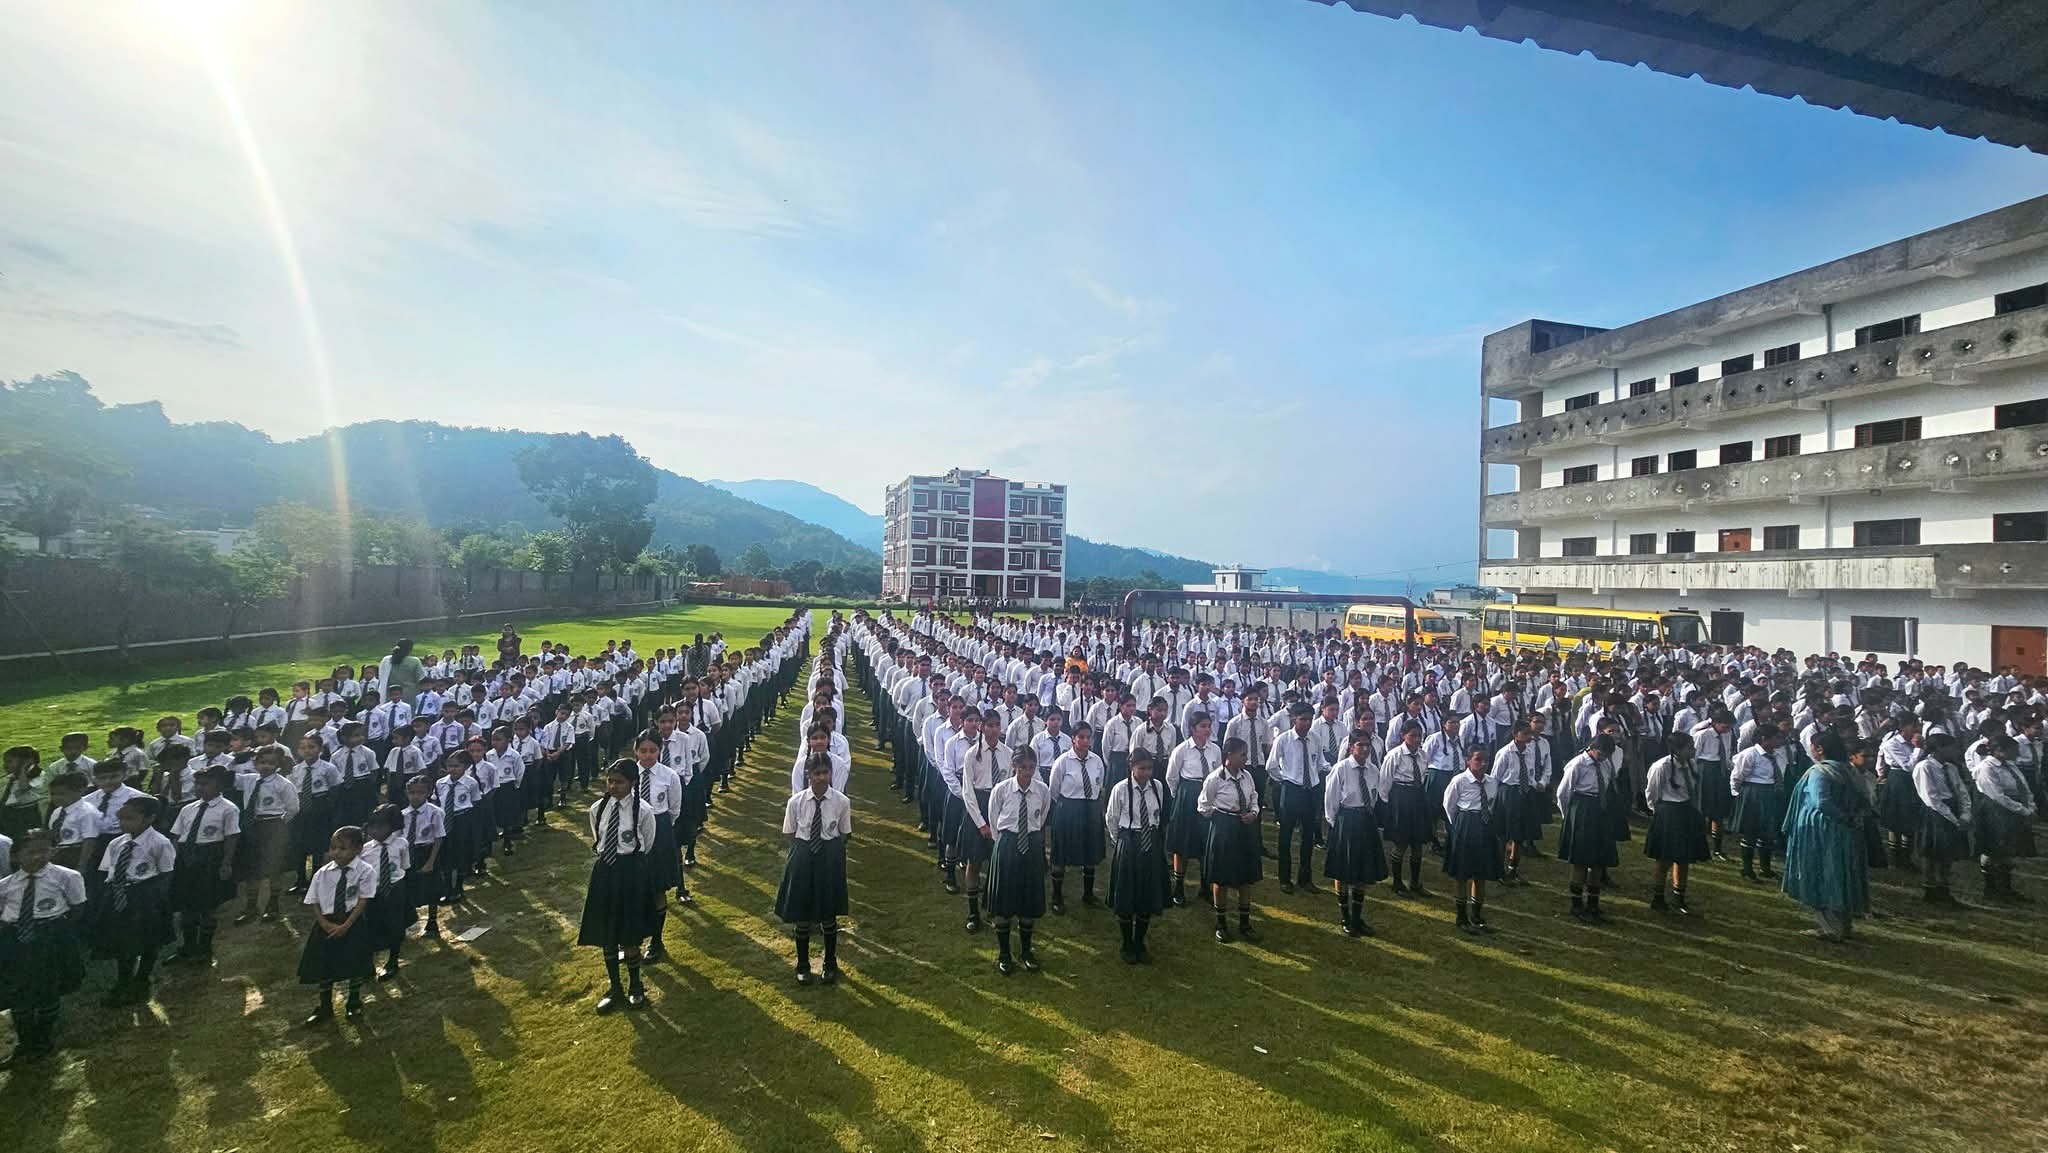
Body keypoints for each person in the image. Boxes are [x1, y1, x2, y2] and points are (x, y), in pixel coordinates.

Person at [0, 829, 89, 1064]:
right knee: (18, 989)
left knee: (46, 987)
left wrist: (55, 930)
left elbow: (77, 908)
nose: (38, 856)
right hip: (15, 939)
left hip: (49, 936)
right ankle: (25, 1040)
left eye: (45, 851)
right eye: (31, 852)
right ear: (16, 856)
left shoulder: (66, 877)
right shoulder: (6, 885)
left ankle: (43, 1038)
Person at [578, 760, 658, 1012]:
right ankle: (615, 987)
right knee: (608, 933)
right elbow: (598, 838)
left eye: (619, 782)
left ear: (633, 783)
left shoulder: (643, 810)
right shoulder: (597, 809)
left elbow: (648, 839)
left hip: (630, 872)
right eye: (610, 781)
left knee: (630, 932)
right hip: (606, 872)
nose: (613, 786)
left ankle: (636, 985)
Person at [1779, 730, 1873, 942]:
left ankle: (1831, 927)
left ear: (1820, 749)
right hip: (1846, 829)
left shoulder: (1820, 772)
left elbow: (1821, 801)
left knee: (1822, 872)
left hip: (1821, 830)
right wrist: (1851, 818)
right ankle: (1843, 923)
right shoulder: (1849, 770)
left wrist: (1840, 817)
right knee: (1842, 873)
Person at [91, 796, 176, 1006]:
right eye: (121, 819)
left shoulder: (159, 842)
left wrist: (157, 901)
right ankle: (123, 981)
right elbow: (107, 871)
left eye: (131, 818)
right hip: (119, 894)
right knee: (123, 941)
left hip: (145, 895)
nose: (124, 823)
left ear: (150, 818)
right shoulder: (116, 843)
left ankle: (142, 979)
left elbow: (166, 874)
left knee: (148, 938)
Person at [777, 753, 851, 986]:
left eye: (825, 773)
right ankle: (802, 964)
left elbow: (844, 831)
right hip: (803, 853)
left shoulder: (841, 802)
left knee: (828, 911)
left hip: (829, 855)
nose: (821, 778)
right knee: (802, 911)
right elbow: (789, 832)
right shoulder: (796, 802)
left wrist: (829, 849)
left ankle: (830, 962)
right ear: (808, 776)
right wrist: (805, 848)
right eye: (816, 773)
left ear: (831, 774)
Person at [298, 825, 377, 1025]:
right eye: (333, 847)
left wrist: (347, 925)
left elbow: (363, 900)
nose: (336, 852)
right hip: (327, 922)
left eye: (343, 848)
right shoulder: (322, 873)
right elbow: (314, 900)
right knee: (325, 964)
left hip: (352, 922)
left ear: (358, 849)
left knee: (354, 963)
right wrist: (323, 923)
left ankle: (353, 1002)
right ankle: (325, 1006)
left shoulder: (365, 871)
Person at [984, 747, 1052, 976]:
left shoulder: (1042, 791)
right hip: (1008, 844)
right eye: (1022, 767)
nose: (1027, 772)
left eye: (1031, 767)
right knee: (1005, 902)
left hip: (1031, 846)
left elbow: (1041, 817)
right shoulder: (1002, 790)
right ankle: (1004, 953)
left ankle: (1026, 951)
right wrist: (1004, 843)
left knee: (1028, 901)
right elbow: (994, 821)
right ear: (1014, 767)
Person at [166, 764, 238, 964]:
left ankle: (205, 949)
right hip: (186, 858)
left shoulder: (228, 809)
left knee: (207, 906)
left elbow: (231, 837)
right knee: (186, 906)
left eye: (206, 784)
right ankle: (187, 947)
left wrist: (226, 863)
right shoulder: (187, 809)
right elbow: (178, 835)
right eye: (197, 783)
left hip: (209, 858)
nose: (200, 788)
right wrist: (174, 859)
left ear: (219, 785)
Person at [1104, 747, 1167, 964]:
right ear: (1132, 767)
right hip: (1129, 840)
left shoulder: (1157, 787)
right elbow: (1111, 818)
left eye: (1150, 768)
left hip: (1151, 841)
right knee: (1127, 892)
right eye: (1142, 768)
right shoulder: (1120, 789)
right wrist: (1120, 841)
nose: (1147, 773)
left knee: (1146, 893)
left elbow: (1159, 815)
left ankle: (1140, 941)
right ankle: (1127, 941)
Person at [1323, 729, 1388, 938]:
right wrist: (1337, 824)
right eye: (1360, 745)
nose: (1365, 749)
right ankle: (1345, 916)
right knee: (1343, 871)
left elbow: (1375, 796)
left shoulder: (1373, 770)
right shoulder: (1341, 769)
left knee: (1362, 871)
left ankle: (1357, 917)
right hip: (1346, 820)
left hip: (1365, 819)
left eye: (1368, 745)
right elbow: (1330, 801)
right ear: (1351, 747)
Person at [1198, 737, 1263, 943]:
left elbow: (1254, 797)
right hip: (1224, 828)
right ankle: (1221, 923)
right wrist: (1220, 818)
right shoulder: (1215, 779)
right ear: (1229, 756)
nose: (1246, 758)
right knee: (1222, 877)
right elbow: (1203, 806)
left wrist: (1253, 812)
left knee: (1245, 878)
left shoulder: (1247, 777)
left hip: (1244, 828)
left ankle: (1245, 923)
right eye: (1242, 754)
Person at [1643, 731, 1709, 914]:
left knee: (1684, 857)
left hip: (1686, 811)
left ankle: (1679, 896)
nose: (1693, 750)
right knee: (1664, 858)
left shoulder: (1691, 764)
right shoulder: (1661, 767)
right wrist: (1659, 813)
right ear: (1677, 750)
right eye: (1689, 747)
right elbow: (1652, 793)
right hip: (1669, 812)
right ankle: (1658, 897)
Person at [1556, 734, 1620, 922]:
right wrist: (1569, 817)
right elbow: (1563, 793)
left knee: (1598, 861)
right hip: (1583, 809)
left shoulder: (1606, 764)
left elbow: (1608, 783)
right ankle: (1577, 905)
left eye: (1607, 754)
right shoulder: (1578, 764)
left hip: (1600, 810)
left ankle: (1593, 904)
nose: (1603, 757)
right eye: (1600, 753)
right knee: (1581, 860)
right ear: (1592, 747)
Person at [1442, 746, 1505, 933]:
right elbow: (1449, 805)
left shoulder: (1492, 782)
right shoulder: (1459, 781)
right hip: (1466, 824)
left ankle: (1476, 914)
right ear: (1468, 761)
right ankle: (1461, 915)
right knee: (1462, 873)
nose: (1483, 764)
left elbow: (1492, 804)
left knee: (1481, 873)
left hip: (1485, 826)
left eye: (1486, 760)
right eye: (1478, 759)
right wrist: (1460, 824)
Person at [1046, 722, 1107, 913]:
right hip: (1069, 809)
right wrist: (1070, 804)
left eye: (1088, 737)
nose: (1085, 740)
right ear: (1073, 738)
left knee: (1090, 852)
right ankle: (1057, 896)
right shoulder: (1063, 761)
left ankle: (1088, 894)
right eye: (1081, 737)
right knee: (1062, 853)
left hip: (1090, 809)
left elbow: (1099, 784)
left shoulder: (1096, 761)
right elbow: (1054, 790)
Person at [234, 748, 300, 924]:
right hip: (252, 826)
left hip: (273, 825)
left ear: (278, 765)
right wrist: (237, 758)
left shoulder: (283, 784)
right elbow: (227, 774)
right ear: (255, 763)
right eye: (262, 762)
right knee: (252, 869)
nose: (266, 766)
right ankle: (251, 907)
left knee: (274, 867)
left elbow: (293, 808)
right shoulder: (248, 780)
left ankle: (273, 906)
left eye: (271, 763)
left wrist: (279, 824)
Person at [1970, 734, 2036, 903]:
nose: (2017, 753)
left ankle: (2005, 888)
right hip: (1995, 810)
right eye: (2013, 750)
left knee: (2007, 849)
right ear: (1999, 751)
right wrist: (2022, 810)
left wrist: (2030, 806)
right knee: (1993, 848)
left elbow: (2023, 786)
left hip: (2013, 809)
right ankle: (1991, 888)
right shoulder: (1986, 768)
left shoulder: (2010, 765)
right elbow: (1997, 795)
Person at [1729, 723, 1789, 882]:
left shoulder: (1776, 755)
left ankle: (1765, 868)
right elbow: (1737, 776)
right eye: (1776, 738)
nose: (1779, 741)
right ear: (1764, 739)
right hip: (1753, 794)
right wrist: (1739, 796)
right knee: (1751, 832)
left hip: (1769, 793)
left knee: (1767, 832)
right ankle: (1747, 869)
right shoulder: (1750, 754)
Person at [1379, 722, 1433, 898]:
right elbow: (1385, 783)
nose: (1417, 739)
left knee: (1418, 842)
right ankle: (1396, 882)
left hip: (1417, 797)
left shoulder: (1423, 755)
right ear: (1403, 735)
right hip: (1401, 798)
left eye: (1419, 736)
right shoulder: (1394, 755)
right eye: (1413, 735)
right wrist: (1390, 806)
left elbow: (1423, 776)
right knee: (1401, 842)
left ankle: (1415, 882)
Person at [361, 806, 410, 981]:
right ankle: (369, 964)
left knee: (395, 925)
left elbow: (404, 866)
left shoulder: (401, 844)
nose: (375, 831)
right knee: (371, 925)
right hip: (373, 892)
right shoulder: (365, 849)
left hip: (395, 889)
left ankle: (393, 960)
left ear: (392, 826)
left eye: (381, 827)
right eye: (372, 827)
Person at [399, 776, 446, 939]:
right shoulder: (403, 815)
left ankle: (432, 922)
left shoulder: (435, 813)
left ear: (428, 793)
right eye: (412, 792)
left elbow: (439, 837)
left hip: (426, 851)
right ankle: (409, 922)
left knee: (431, 888)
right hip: (408, 853)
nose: (415, 796)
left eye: (420, 792)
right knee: (408, 887)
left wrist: (431, 861)